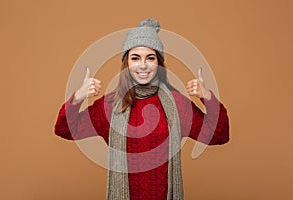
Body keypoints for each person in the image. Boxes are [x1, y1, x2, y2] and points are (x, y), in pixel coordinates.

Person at [54, 18, 230, 200]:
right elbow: (64, 129)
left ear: (158, 63)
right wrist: (79, 96)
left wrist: (207, 97)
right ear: (126, 63)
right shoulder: (109, 105)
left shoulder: (177, 105)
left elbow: (219, 135)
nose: (143, 65)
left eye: (150, 58)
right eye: (135, 58)